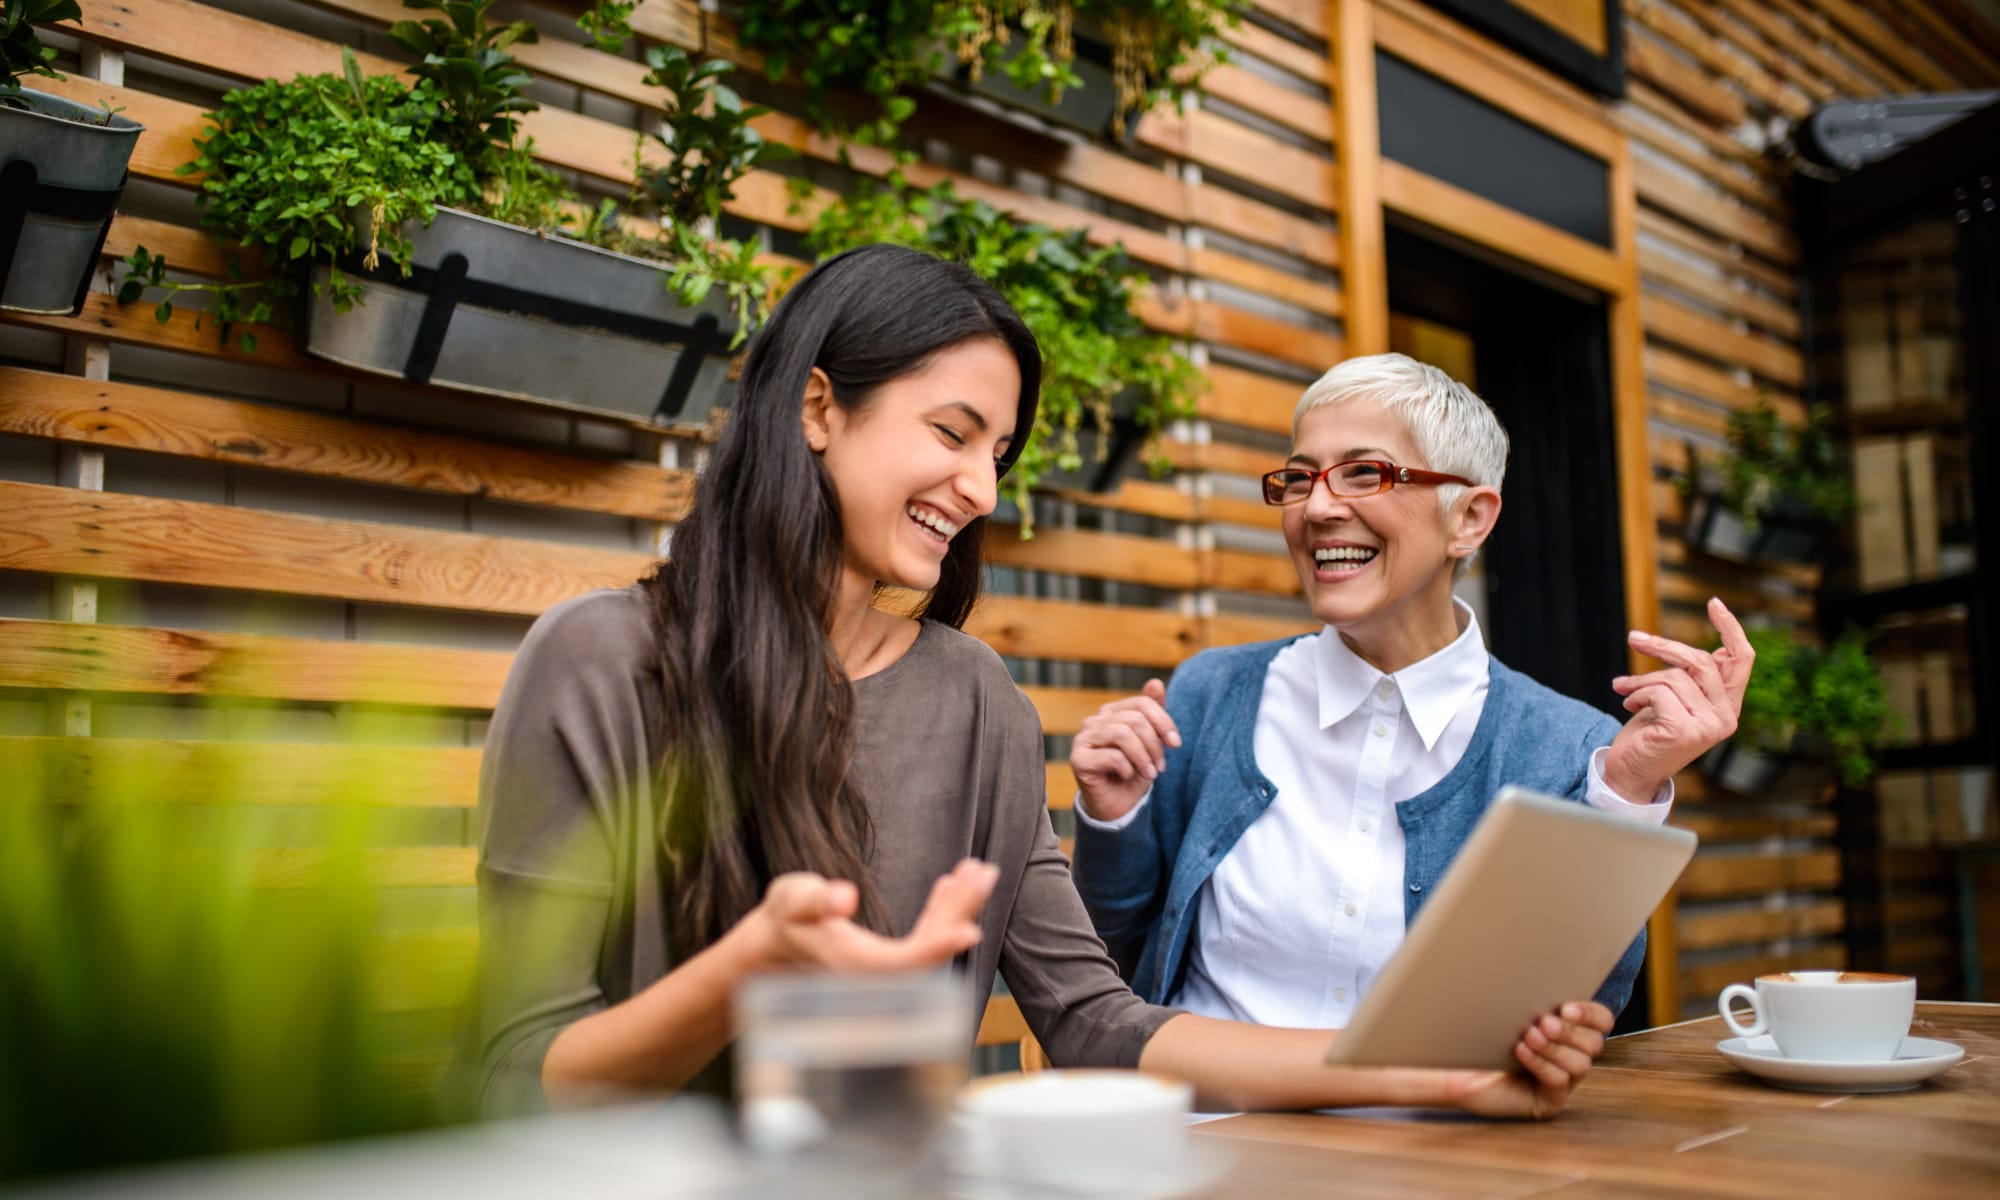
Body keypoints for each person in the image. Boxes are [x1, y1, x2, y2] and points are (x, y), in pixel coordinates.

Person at [468, 249, 1614, 1122]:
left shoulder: (975, 701)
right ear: (818, 409)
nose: (978, 489)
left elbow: (1096, 1020)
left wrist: (1445, 1074)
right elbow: (521, 1077)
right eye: (951, 433)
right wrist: (746, 970)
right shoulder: (605, 662)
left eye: (997, 455)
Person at [1070, 353, 1752, 1030]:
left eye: (1365, 473)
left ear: (1471, 520)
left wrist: (1624, 794)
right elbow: (1114, 963)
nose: (1319, 507)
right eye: (1300, 478)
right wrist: (1113, 819)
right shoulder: (1210, 694)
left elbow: (1576, 1012)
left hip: (1431, 1137)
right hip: (1212, 1126)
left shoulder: (1572, 750)